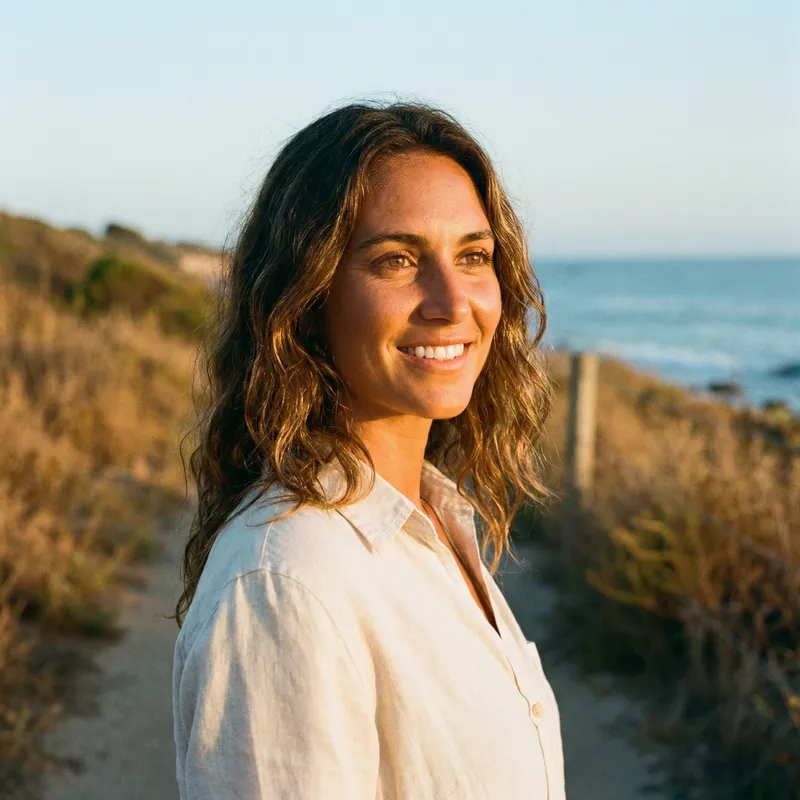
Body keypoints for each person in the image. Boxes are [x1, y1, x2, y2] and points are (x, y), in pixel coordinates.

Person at [171, 99, 566, 799]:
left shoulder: (435, 521)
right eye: (397, 260)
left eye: (474, 255)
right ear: (307, 296)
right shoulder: (286, 581)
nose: (452, 301)